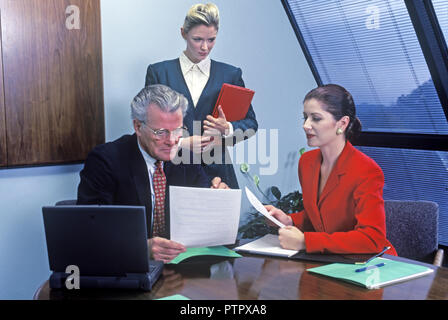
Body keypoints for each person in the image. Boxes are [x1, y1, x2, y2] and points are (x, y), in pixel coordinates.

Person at [77, 84, 229, 263]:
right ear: (138, 126)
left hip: (181, 269)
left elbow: (201, 214)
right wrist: (141, 247)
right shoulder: (105, 161)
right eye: (161, 132)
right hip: (128, 268)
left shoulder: (186, 158)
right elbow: (92, 231)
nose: (172, 141)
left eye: (178, 130)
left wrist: (216, 198)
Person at [266, 84, 397, 255]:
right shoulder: (306, 162)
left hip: (368, 264)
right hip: (329, 260)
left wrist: (307, 242)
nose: (306, 125)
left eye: (316, 118)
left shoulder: (367, 170)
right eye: (305, 117)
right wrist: (289, 220)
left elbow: (372, 239)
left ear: (342, 123)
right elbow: (320, 218)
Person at [145, 3, 258, 189]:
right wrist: (181, 142)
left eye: (211, 40)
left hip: (220, 176)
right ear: (183, 33)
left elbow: (251, 124)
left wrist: (227, 128)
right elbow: (148, 128)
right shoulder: (159, 73)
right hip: (174, 173)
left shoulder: (231, 74)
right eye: (197, 39)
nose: (205, 47)